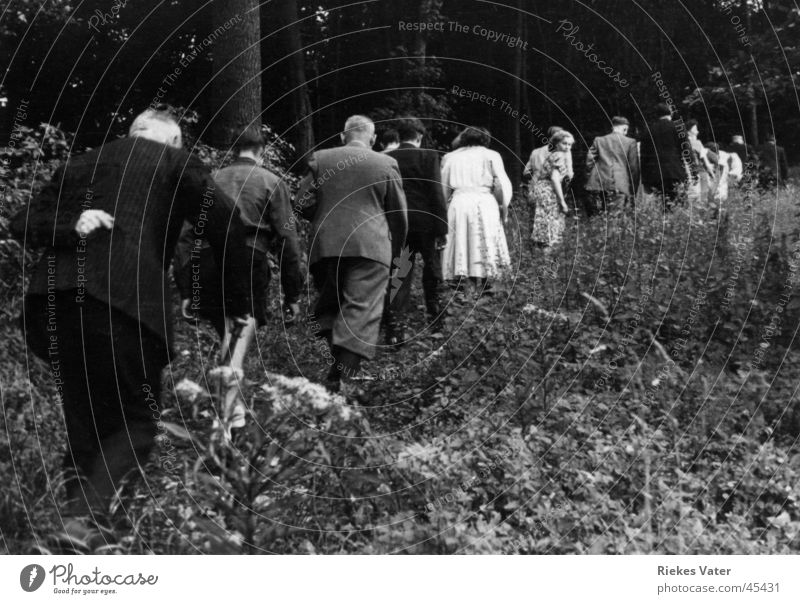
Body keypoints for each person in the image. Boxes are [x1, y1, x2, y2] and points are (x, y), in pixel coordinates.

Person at [11, 108, 253, 548]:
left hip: (53, 306)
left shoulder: (79, 163)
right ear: (174, 140)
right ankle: (82, 522)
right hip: (121, 304)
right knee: (137, 422)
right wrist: (235, 304)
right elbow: (228, 223)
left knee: (87, 421)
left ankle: (86, 534)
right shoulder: (173, 161)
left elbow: (20, 221)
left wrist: (70, 226)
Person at [174, 125, 304, 425]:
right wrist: (293, 292)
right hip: (247, 259)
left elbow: (184, 235)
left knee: (228, 335)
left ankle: (233, 412)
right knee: (238, 338)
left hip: (206, 261)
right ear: (263, 150)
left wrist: (186, 288)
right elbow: (288, 240)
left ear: (235, 149)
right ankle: (226, 422)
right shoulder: (271, 181)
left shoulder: (213, 179)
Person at [296, 115, 407, 393]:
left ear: (343, 135)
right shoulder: (385, 163)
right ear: (372, 139)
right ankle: (346, 382)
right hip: (370, 248)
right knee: (360, 310)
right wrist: (395, 251)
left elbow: (301, 203)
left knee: (331, 308)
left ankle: (337, 374)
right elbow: (399, 215)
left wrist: (321, 214)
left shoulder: (320, 159)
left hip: (326, 246)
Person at [383, 117, 448, 345]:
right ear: (419, 136)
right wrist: (442, 228)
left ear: (399, 137)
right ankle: (436, 320)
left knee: (400, 273)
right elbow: (436, 193)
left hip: (398, 224)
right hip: (426, 224)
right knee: (432, 270)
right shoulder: (429, 156)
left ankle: (394, 328)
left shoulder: (387, 158)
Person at [440, 126, 511, 294]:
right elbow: (501, 183)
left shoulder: (450, 157)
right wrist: (503, 207)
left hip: (459, 201)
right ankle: (488, 282)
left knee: (461, 238)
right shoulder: (492, 155)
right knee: (485, 236)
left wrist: (442, 208)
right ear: (486, 139)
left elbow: (443, 186)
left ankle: (460, 283)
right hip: (484, 201)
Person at [584, 116, 640, 214]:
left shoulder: (599, 140)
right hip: (619, 183)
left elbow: (589, 161)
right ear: (625, 128)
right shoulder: (630, 142)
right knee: (615, 217)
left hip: (598, 183)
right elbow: (633, 168)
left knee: (598, 216)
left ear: (612, 127)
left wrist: (589, 177)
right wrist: (633, 188)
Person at [530, 130, 574, 249]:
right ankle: (548, 256)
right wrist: (562, 202)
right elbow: (555, 179)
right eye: (564, 143)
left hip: (542, 188)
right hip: (549, 190)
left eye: (570, 145)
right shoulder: (559, 155)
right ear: (556, 143)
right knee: (551, 222)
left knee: (544, 221)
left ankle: (540, 253)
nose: (567, 147)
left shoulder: (553, 154)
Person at [640, 103, 690, 208]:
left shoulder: (648, 130)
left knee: (663, 205)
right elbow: (687, 151)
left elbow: (644, 157)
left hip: (655, 174)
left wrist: (645, 181)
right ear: (670, 113)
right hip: (676, 172)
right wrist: (693, 171)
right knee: (680, 204)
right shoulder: (678, 127)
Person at [686, 119, 717, 205]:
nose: (697, 131)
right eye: (695, 129)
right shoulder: (696, 143)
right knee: (703, 195)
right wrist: (712, 174)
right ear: (689, 131)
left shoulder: (683, 143)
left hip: (688, 172)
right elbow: (705, 161)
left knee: (692, 195)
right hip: (700, 171)